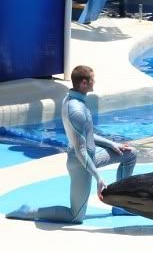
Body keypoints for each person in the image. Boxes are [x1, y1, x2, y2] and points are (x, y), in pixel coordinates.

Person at [6, 65, 138, 223]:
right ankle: (29, 211)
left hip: (91, 156)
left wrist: (112, 144)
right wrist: (98, 177)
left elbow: (87, 134)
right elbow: (81, 151)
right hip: (81, 164)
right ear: (84, 83)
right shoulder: (76, 111)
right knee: (75, 216)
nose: (95, 82)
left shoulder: (75, 100)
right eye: (92, 79)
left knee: (130, 154)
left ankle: (121, 206)